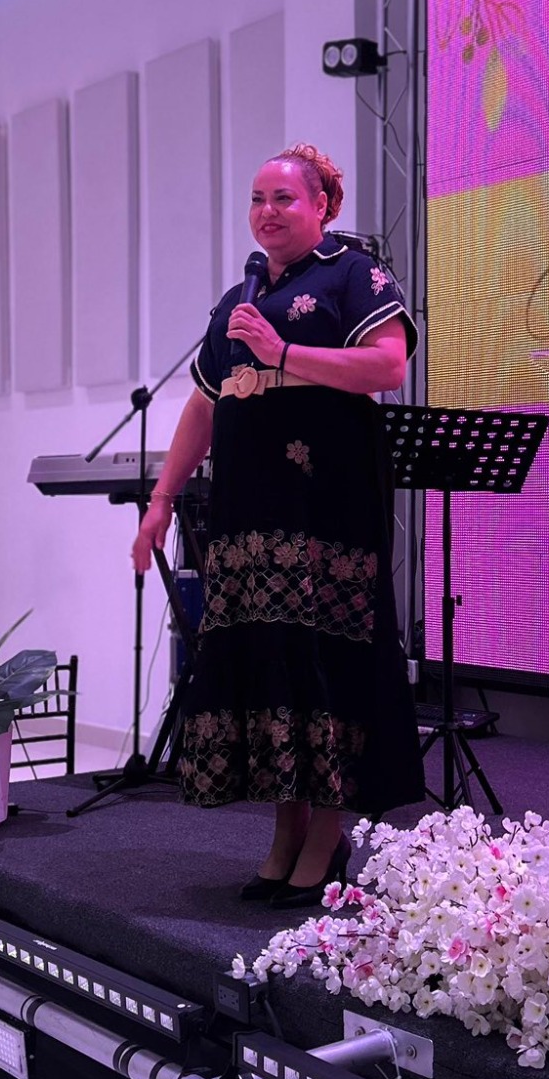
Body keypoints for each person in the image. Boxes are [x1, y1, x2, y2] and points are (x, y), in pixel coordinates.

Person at [132, 143, 424, 905]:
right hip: (247, 517)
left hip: (326, 508)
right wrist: (161, 500)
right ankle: (285, 831)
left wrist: (284, 352)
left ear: (322, 205)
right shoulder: (241, 296)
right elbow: (204, 403)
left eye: (284, 198)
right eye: (257, 199)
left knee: (324, 663)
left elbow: (388, 367)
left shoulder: (354, 274)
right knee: (270, 665)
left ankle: (326, 836)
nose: (267, 212)